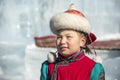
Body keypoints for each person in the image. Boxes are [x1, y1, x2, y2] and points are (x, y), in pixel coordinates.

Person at [40, 4, 105, 80]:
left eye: (68, 37)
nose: (62, 41)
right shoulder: (48, 67)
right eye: (59, 37)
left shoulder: (93, 69)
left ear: (82, 41)